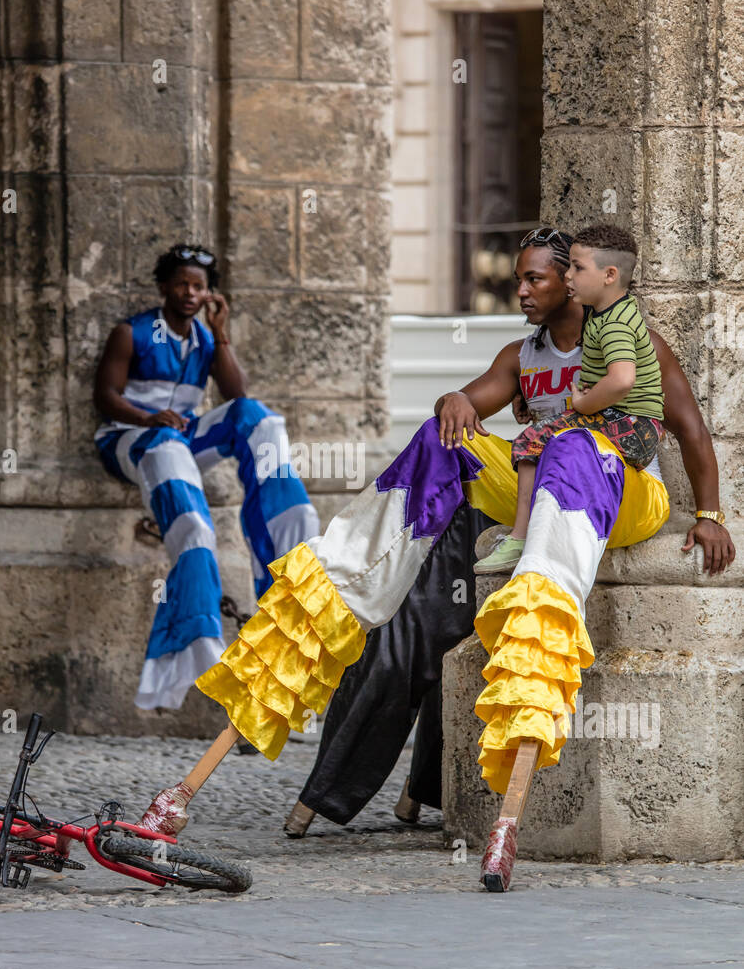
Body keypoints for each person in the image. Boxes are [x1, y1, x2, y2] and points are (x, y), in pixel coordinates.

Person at [183, 227, 733, 824]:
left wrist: (709, 515)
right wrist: (454, 401)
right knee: (441, 444)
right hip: (540, 482)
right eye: (518, 279)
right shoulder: (522, 355)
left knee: (572, 450)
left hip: (624, 489)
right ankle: (340, 582)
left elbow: (691, 430)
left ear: (573, 283)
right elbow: (475, 401)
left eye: (536, 279)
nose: (520, 291)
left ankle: (537, 632)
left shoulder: (633, 339)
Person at [93, 242, 319, 712]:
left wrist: (223, 335)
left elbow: (236, 395)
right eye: (181, 283)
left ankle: (291, 556)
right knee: (193, 518)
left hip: (182, 438)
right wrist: (148, 418)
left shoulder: (205, 338)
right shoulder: (130, 332)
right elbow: (105, 397)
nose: (189, 292)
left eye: (198, 286)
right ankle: (196, 640)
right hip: (132, 439)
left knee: (259, 418)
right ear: (163, 287)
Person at [476, 225, 665, 574]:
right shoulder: (610, 320)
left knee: (543, 440)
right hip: (623, 436)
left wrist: (583, 404)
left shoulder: (614, 324)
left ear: (608, 276)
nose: (570, 278)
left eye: (577, 269)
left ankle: (521, 536)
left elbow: (622, 380)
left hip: (632, 433)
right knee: (553, 441)